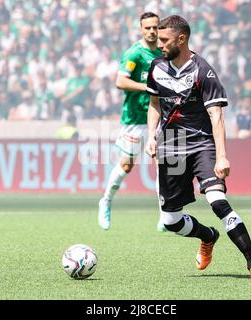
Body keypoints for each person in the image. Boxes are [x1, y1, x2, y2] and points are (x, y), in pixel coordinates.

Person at [145, 15, 251, 280]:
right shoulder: (156, 67)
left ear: (182, 39)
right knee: (170, 221)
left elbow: (217, 116)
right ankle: (208, 236)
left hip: (202, 144)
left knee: (217, 200)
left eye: (165, 40)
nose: (159, 44)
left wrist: (221, 156)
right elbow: (154, 104)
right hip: (171, 147)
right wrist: (150, 136)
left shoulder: (203, 71)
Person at [98, 12, 166, 232]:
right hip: (135, 117)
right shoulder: (134, 54)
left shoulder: (164, 52)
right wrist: (147, 87)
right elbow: (120, 81)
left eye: (155, 27)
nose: (152, 31)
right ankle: (106, 201)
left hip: (157, 117)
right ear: (141, 29)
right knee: (127, 165)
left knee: (161, 165)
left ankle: (165, 216)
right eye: (148, 28)